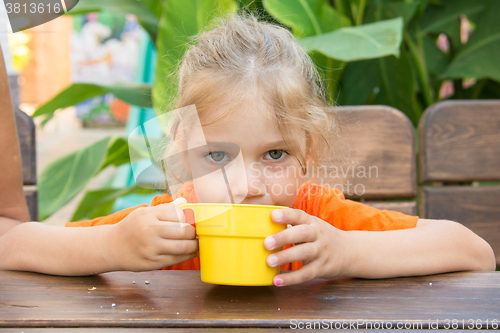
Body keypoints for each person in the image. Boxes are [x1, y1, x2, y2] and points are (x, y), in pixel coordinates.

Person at [64, 15, 495, 286]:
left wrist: (346, 250)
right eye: (217, 156)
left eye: (274, 155)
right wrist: (113, 244)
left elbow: (475, 252)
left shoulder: (318, 220)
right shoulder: (172, 222)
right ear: (180, 148)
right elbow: (15, 246)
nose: (249, 186)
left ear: (308, 152)